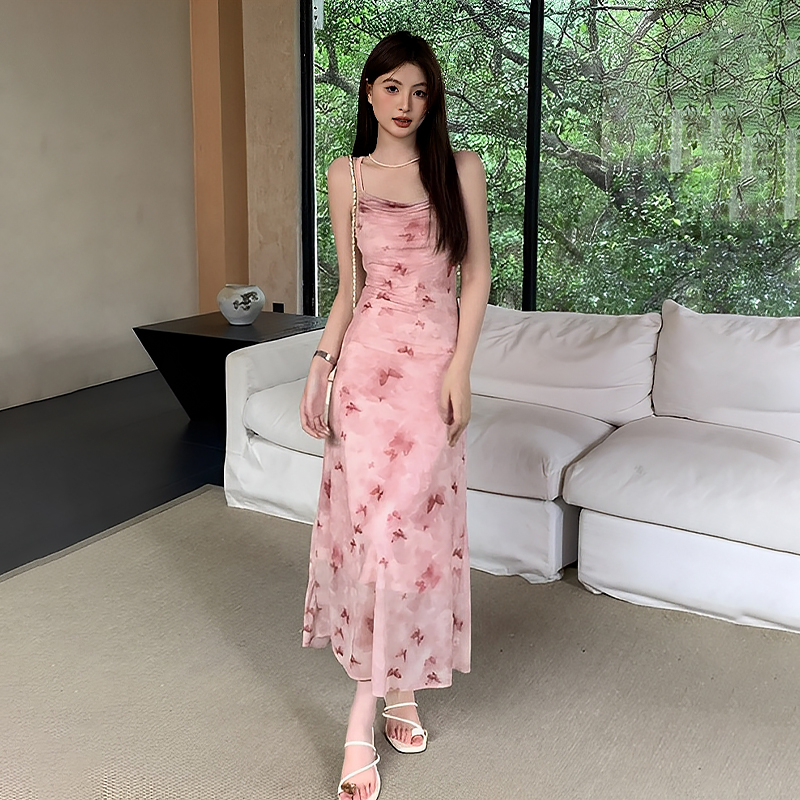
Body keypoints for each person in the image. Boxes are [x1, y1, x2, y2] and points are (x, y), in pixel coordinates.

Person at [299, 30, 490, 800]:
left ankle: (372, 707)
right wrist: (321, 364)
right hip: (366, 376)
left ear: (431, 99)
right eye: (391, 88)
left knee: (407, 538)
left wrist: (461, 369)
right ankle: (387, 697)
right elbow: (350, 289)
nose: (405, 104)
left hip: (431, 377)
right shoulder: (345, 174)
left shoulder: (461, 169)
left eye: (419, 91)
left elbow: (475, 276)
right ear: (369, 92)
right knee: (375, 538)